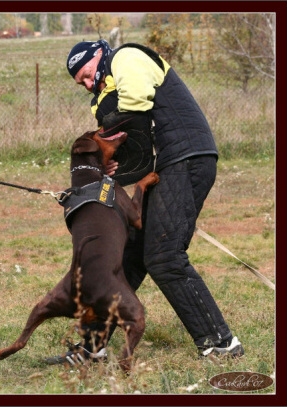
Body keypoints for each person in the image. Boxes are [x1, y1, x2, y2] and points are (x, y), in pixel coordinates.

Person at [46, 39, 244, 366]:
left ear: (99, 55)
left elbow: (135, 110)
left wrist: (110, 147)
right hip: (164, 166)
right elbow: (131, 147)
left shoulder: (127, 57)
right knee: (127, 257)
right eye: (79, 81)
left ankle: (221, 343)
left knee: (164, 255)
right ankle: (90, 349)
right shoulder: (107, 95)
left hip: (186, 158)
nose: (84, 84)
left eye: (85, 74)